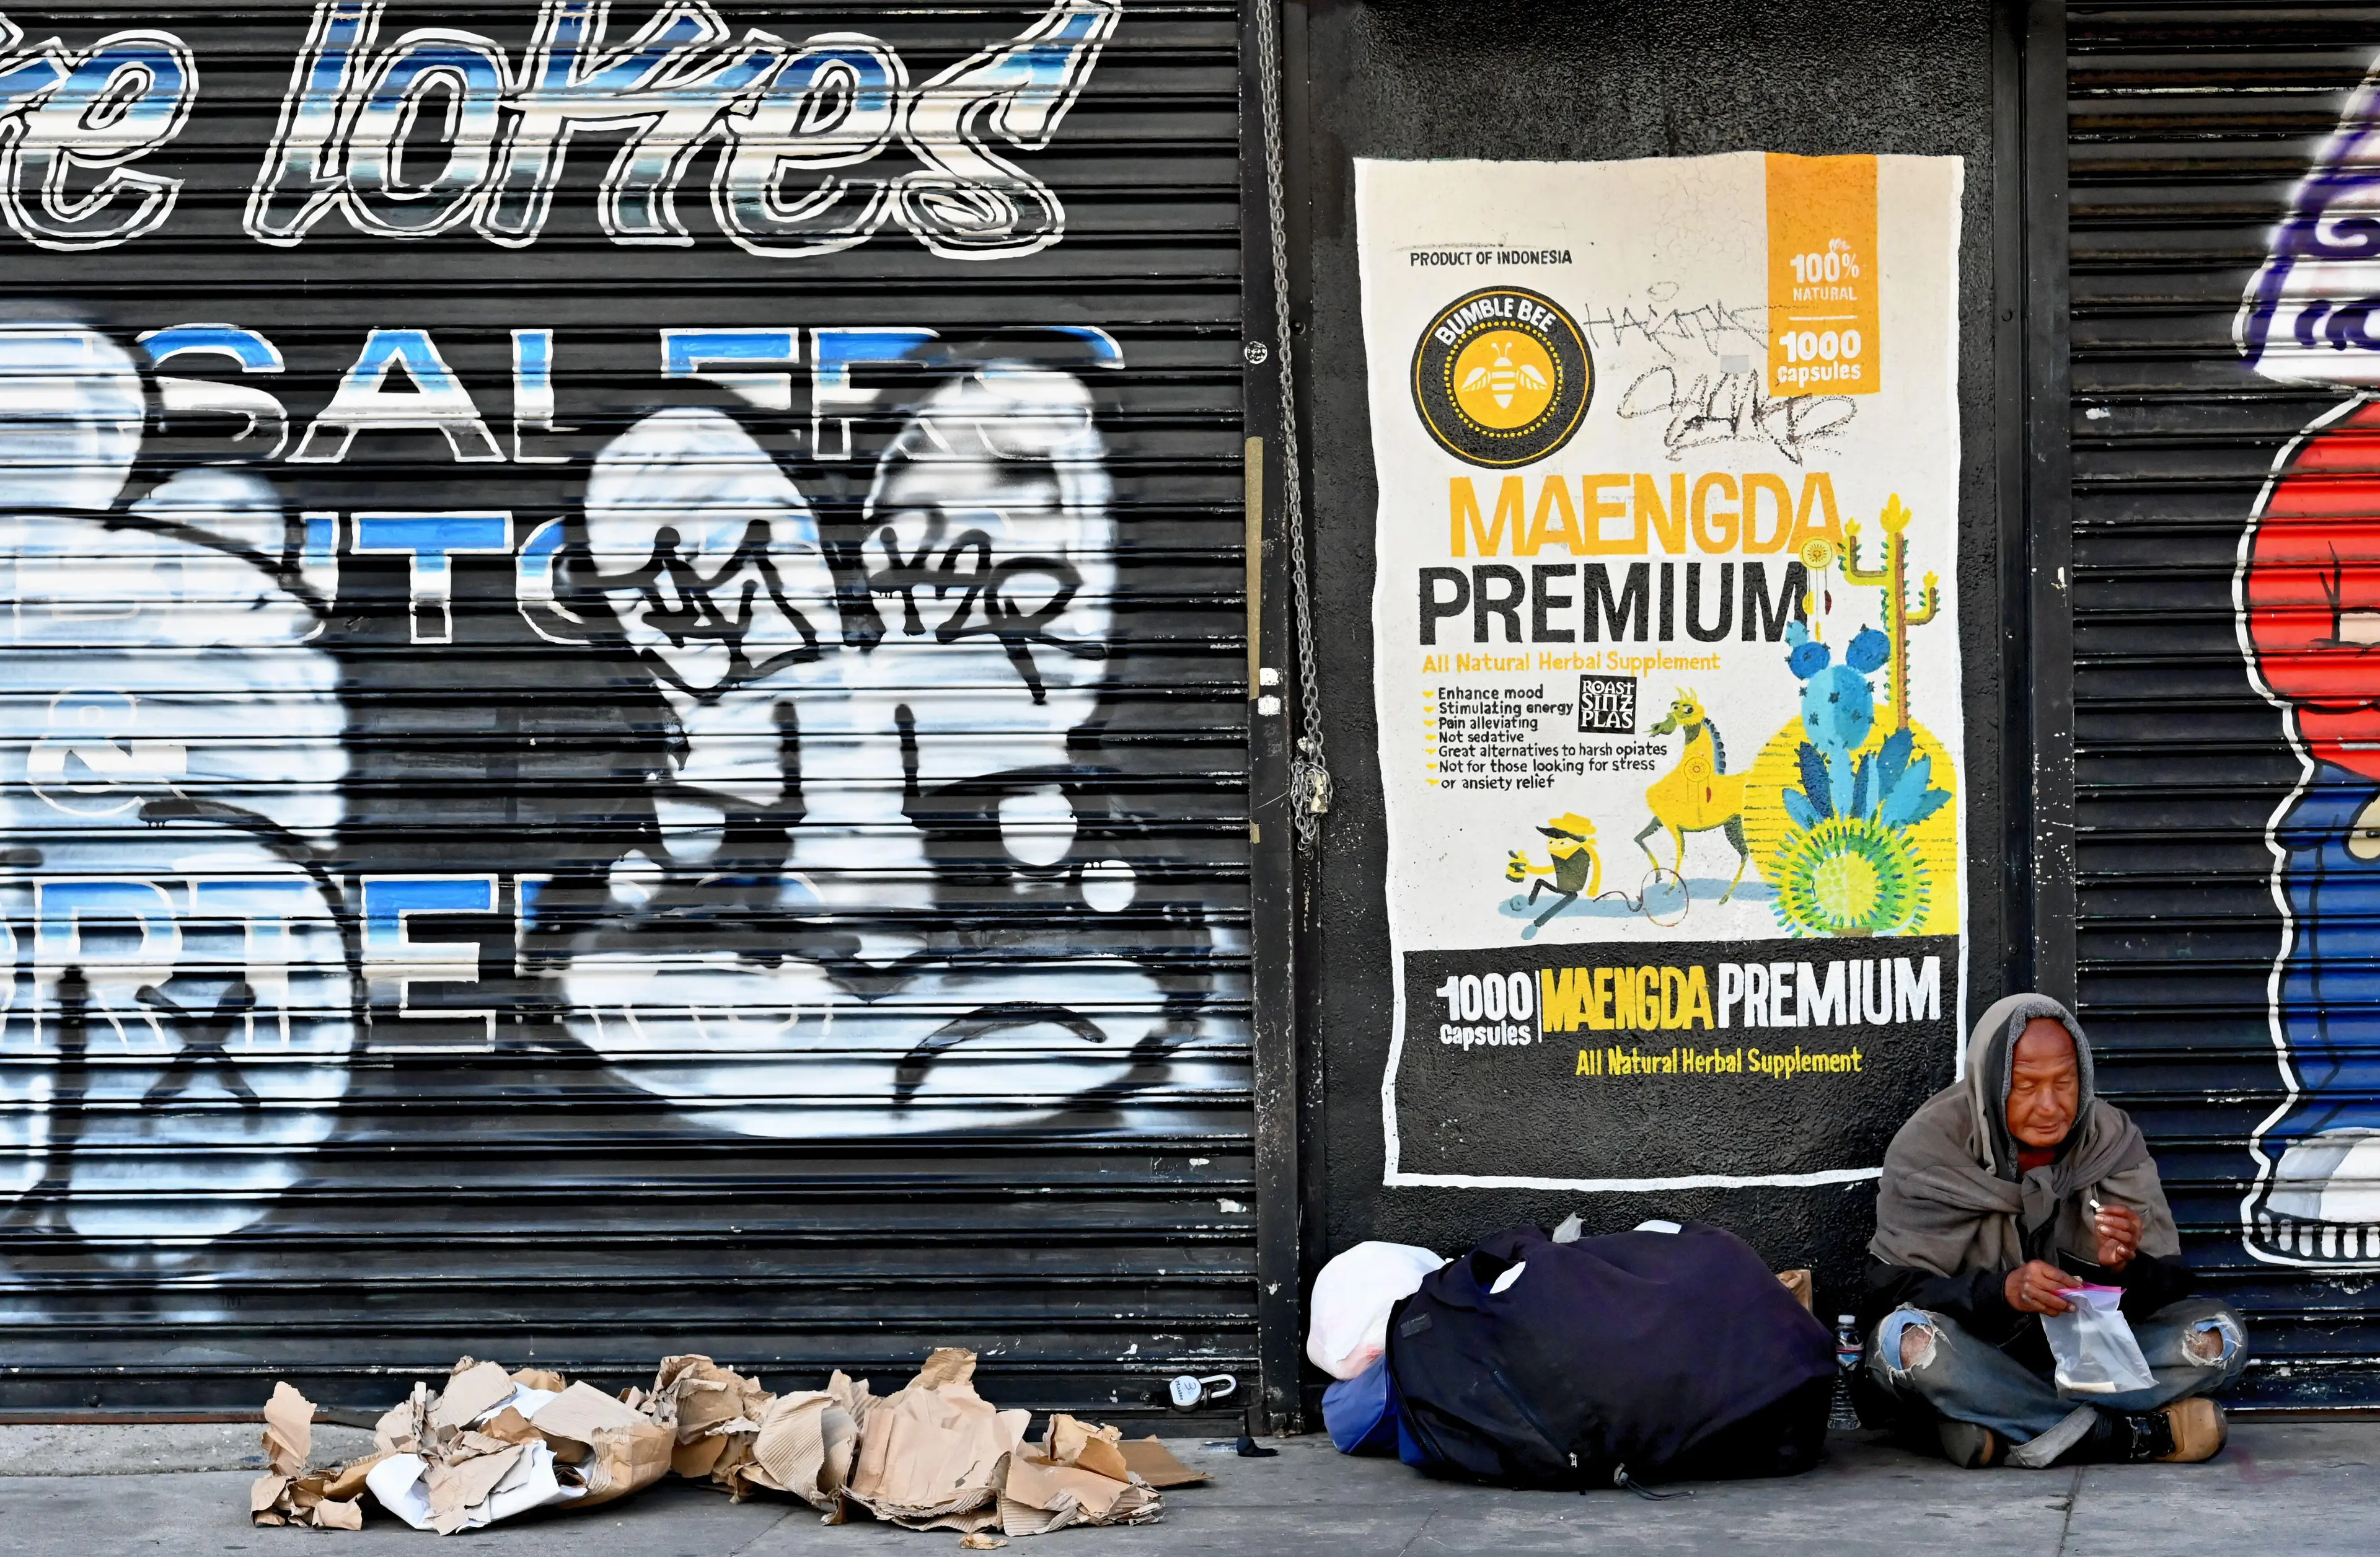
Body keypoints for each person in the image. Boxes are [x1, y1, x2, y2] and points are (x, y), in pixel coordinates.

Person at [1862, 993, 2247, 1468]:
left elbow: (2171, 1288)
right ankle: (2124, 1436)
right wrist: (2001, 1292)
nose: (2050, 1106)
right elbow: (1887, 1291)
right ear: (1992, 1083)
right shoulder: (1930, 1145)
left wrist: (2122, 1268)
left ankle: (1999, 1422)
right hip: (1980, 1354)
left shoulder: (2110, 1140)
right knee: (1904, 1343)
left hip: (2086, 1359)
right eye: (2026, 1086)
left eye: (2064, 1083)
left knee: (2217, 1337)